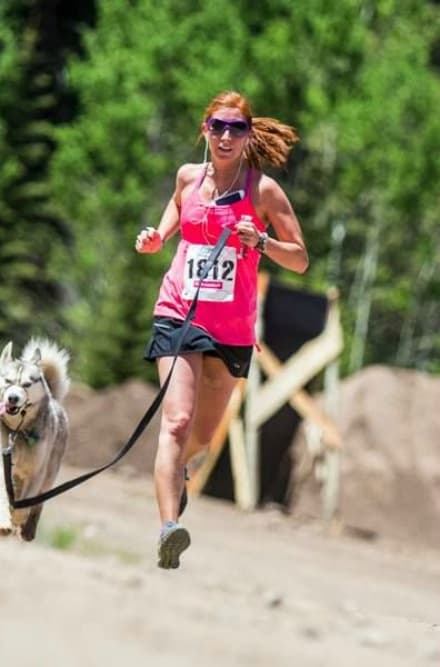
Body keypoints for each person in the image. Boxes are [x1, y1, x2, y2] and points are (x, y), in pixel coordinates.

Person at [134, 91, 309, 569]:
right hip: (179, 313)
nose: (226, 135)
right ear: (204, 130)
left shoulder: (263, 191)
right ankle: (170, 528)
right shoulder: (188, 178)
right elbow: (174, 215)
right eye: (218, 126)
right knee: (175, 421)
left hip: (230, 328)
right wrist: (156, 238)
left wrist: (265, 240)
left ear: (248, 135)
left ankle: (178, 479)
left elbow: (300, 259)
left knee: (204, 437)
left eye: (236, 128)